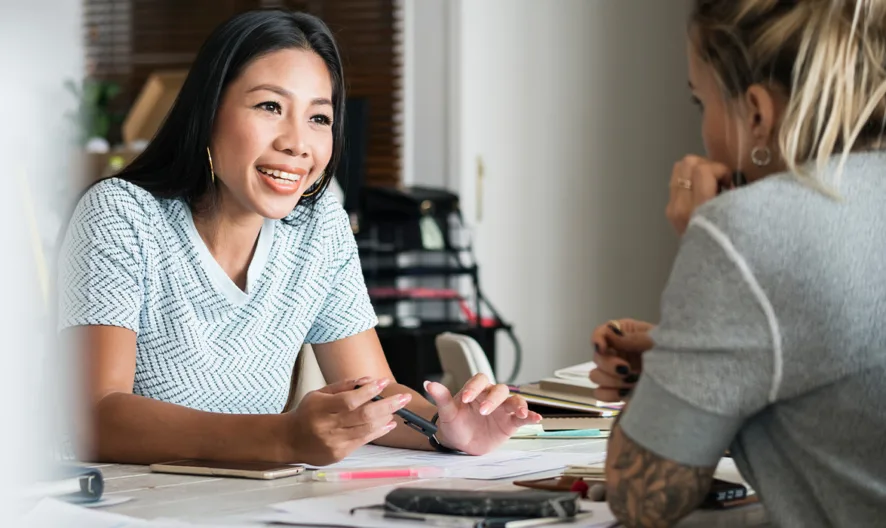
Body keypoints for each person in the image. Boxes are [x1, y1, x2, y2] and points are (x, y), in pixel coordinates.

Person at [57, 9, 540, 467]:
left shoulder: (317, 224)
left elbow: (372, 394)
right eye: (270, 106)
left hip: (254, 503)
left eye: (319, 118)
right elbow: (96, 419)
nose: (296, 143)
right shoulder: (121, 213)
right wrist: (284, 437)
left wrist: (445, 429)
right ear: (206, 112)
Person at [589, 1, 886, 526]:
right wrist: (680, 350)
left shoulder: (750, 229)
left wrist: (708, 241)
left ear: (756, 112)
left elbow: (641, 497)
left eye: (699, 101)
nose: (701, 128)